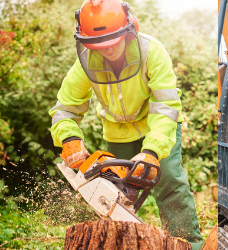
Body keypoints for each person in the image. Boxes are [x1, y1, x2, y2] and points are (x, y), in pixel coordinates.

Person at [50, 0, 203, 249]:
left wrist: (152, 152)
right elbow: (65, 107)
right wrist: (69, 139)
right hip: (118, 132)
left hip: (157, 129)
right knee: (115, 191)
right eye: (98, 46)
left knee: (170, 182)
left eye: (112, 43)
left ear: (129, 30)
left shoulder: (152, 52)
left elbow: (165, 107)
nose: (107, 50)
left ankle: (189, 244)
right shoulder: (86, 62)